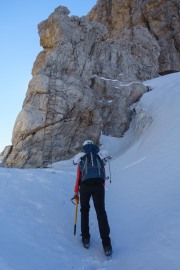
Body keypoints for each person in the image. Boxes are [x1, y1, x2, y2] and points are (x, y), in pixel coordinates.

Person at [73, 140, 112, 256]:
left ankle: (85, 238)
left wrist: (76, 192)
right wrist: (101, 187)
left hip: (85, 186)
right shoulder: (98, 155)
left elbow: (78, 177)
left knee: (84, 210)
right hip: (98, 185)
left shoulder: (82, 157)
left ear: (84, 147)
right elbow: (103, 173)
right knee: (101, 212)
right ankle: (106, 244)